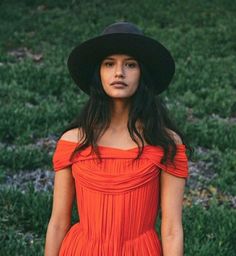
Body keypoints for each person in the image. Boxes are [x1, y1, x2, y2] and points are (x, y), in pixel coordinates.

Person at [44, 21, 193, 256]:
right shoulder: (73, 141)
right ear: (99, 73)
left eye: (130, 64)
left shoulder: (165, 143)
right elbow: (58, 223)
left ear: (143, 73)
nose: (118, 73)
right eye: (109, 64)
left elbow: (172, 229)